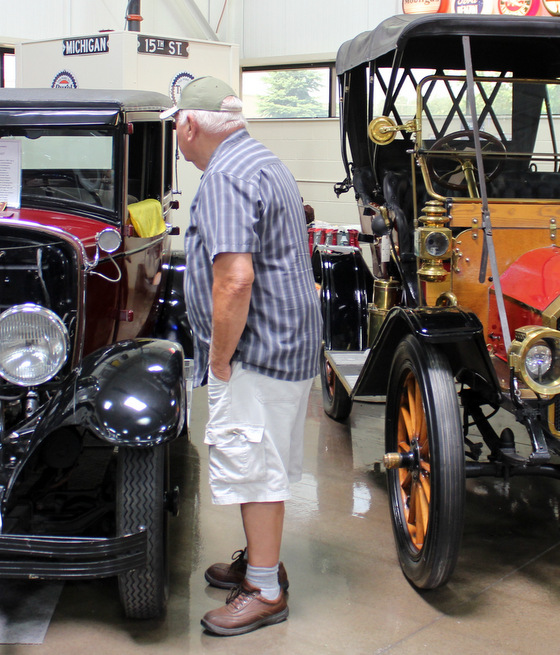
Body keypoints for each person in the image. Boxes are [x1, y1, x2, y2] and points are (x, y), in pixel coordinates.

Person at [161, 76, 321, 636]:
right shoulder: (260, 158)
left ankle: (264, 589)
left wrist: (220, 357)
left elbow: (233, 279)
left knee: (254, 466)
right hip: (287, 337)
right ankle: (260, 558)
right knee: (265, 458)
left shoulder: (225, 175)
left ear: (187, 125)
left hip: (255, 346)